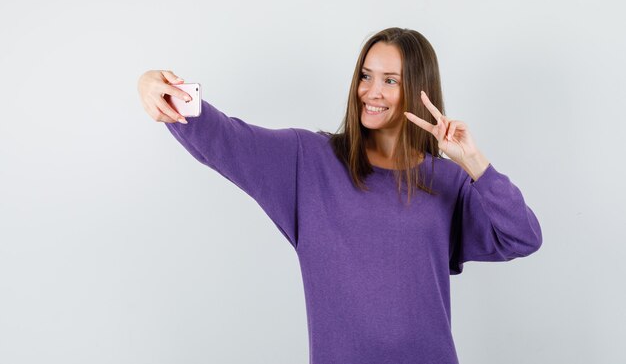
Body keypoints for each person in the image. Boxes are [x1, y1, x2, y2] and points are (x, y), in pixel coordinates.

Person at [136, 27, 543, 364]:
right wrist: (158, 88)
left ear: (420, 90)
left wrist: (473, 161)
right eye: (366, 76)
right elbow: (226, 138)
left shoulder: (446, 180)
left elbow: (521, 237)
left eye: (390, 80)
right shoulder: (308, 161)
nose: (371, 91)